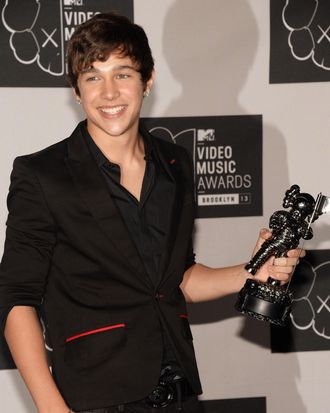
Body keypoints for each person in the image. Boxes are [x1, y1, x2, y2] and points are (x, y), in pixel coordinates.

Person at [0, 12, 303, 413]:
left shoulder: (174, 164)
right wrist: (52, 408)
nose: (109, 92)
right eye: (93, 77)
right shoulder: (43, 174)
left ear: (148, 80)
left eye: (122, 74)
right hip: (94, 400)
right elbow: (16, 297)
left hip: (179, 393)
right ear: (76, 90)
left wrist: (253, 270)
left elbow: (178, 279)